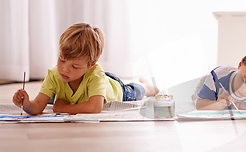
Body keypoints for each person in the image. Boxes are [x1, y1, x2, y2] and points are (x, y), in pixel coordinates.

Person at [12, 23, 157, 115]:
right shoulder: (55, 74)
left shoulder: (96, 74)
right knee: (51, 98)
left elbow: (95, 108)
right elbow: (36, 107)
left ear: (91, 64)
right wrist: (26, 104)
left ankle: (146, 85)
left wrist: (62, 108)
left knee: (135, 91)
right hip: (84, 89)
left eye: (74, 66)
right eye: (61, 60)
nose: (64, 69)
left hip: (114, 88)